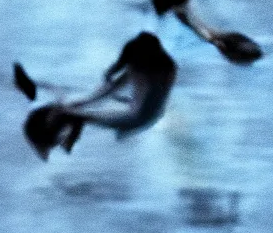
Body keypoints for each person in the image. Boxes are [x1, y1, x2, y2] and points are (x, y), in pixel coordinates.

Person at [14, 32, 177, 160]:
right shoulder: (156, 67)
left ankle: (54, 143)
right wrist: (83, 102)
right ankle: (64, 139)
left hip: (136, 117)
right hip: (140, 111)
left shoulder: (150, 71)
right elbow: (108, 90)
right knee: (72, 108)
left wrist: (79, 108)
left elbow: (126, 101)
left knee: (70, 112)